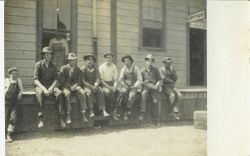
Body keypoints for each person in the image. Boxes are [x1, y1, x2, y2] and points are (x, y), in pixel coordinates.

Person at [34, 47, 66, 129]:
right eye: (47, 54)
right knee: (40, 94)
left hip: (51, 85)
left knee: (60, 93)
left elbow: (56, 79)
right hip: (41, 85)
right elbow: (36, 79)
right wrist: (44, 89)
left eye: (50, 54)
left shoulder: (54, 65)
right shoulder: (38, 65)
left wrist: (51, 88)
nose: (48, 56)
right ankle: (40, 119)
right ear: (43, 55)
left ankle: (61, 118)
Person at [59, 53, 89, 124]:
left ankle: (83, 114)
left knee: (82, 92)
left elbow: (79, 80)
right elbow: (62, 81)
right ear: (69, 61)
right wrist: (70, 87)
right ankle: (68, 115)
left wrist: (75, 86)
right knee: (67, 94)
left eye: (75, 60)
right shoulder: (63, 68)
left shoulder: (78, 69)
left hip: (75, 86)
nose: (74, 62)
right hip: (66, 87)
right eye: (72, 60)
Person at [81, 54, 110, 118]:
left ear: (93, 61)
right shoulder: (83, 69)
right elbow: (83, 81)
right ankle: (91, 111)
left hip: (95, 85)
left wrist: (96, 85)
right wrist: (91, 86)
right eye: (88, 60)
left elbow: (98, 78)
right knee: (89, 92)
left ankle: (103, 110)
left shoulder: (96, 68)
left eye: (91, 60)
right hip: (87, 85)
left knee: (101, 91)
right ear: (86, 61)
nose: (90, 61)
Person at [117, 55, 142, 120]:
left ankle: (127, 109)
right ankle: (119, 110)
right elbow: (121, 79)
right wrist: (124, 84)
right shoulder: (123, 69)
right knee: (123, 93)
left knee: (132, 96)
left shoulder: (136, 68)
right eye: (125, 61)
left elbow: (139, 79)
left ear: (131, 61)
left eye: (128, 61)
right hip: (126, 85)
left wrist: (135, 86)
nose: (126, 62)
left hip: (133, 86)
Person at [140, 54, 162, 125]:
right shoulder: (142, 70)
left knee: (155, 101)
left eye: (151, 61)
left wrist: (156, 85)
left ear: (152, 62)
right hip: (146, 86)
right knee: (143, 94)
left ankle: (156, 119)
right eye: (148, 60)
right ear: (145, 61)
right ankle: (142, 113)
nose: (149, 62)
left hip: (154, 86)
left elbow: (159, 79)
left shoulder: (156, 70)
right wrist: (144, 84)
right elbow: (140, 80)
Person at [5, 66, 23, 142]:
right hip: (5, 102)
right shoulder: (6, 80)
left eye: (16, 74)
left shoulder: (18, 80)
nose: (14, 75)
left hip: (14, 102)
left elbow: (21, 89)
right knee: (4, 118)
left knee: (13, 118)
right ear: (10, 74)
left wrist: (20, 93)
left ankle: (8, 135)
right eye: (13, 74)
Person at [99, 52, 118, 119]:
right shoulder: (101, 67)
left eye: (110, 57)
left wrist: (115, 86)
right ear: (105, 58)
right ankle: (108, 111)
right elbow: (101, 80)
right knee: (107, 92)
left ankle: (115, 111)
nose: (108, 59)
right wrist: (110, 87)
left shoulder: (114, 66)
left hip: (112, 84)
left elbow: (115, 79)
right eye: (107, 57)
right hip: (104, 84)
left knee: (118, 92)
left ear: (112, 58)